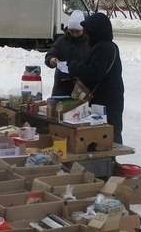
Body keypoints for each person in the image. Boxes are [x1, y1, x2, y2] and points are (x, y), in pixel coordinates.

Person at [67, 12, 124, 144]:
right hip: (107, 100)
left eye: (88, 31)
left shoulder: (104, 48)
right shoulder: (104, 46)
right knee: (104, 133)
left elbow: (93, 73)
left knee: (107, 134)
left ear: (96, 31)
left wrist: (74, 67)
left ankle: (110, 162)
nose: (86, 34)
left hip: (106, 102)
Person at [44, 10, 89, 97]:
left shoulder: (89, 42)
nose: (74, 34)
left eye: (78, 31)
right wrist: (51, 60)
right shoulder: (62, 41)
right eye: (72, 31)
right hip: (61, 87)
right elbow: (51, 53)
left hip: (81, 88)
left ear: (83, 30)